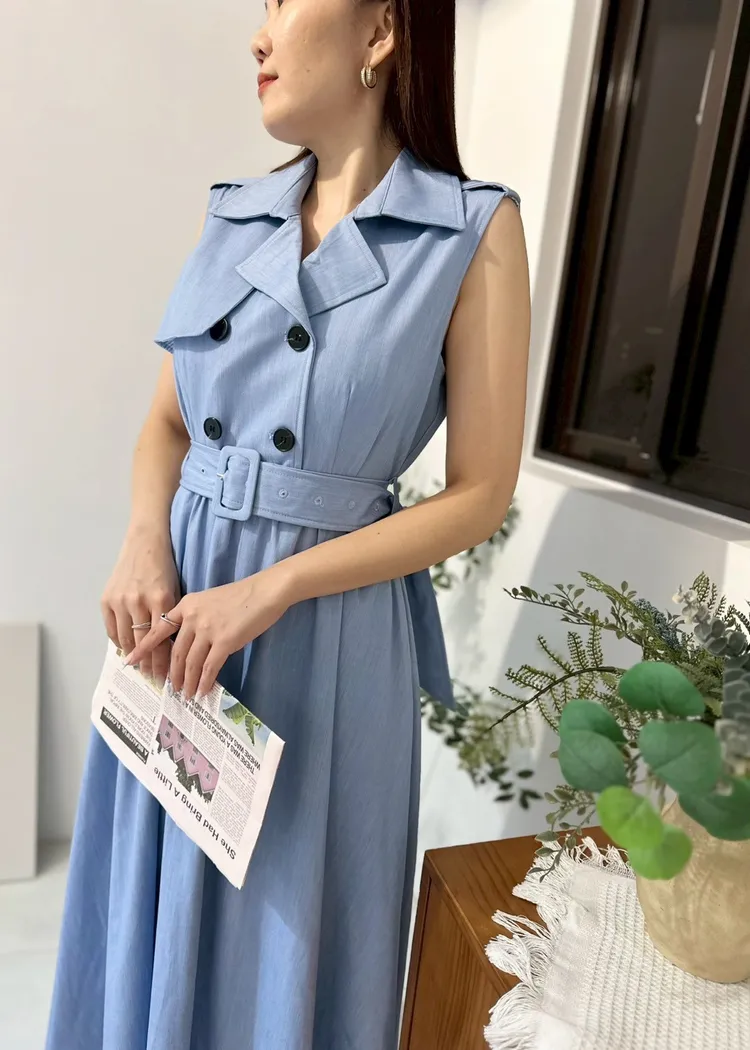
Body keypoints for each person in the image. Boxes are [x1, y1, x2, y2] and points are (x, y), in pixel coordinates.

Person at [44, 1, 530, 1047]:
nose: (259, 37)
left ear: (381, 31)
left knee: (286, 930)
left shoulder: (470, 231)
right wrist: (143, 539)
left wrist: (277, 586)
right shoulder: (234, 217)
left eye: (286, 1)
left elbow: (481, 493)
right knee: (148, 899)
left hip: (327, 635)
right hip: (180, 623)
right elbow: (167, 425)